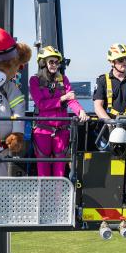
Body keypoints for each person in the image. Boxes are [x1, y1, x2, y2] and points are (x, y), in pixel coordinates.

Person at [29, 46, 88, 177]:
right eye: (51, 62)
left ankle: (58, 197)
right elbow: (41, 104)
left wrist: (81, 111)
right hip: (43, 131)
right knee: (43, 169)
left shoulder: (63, 80)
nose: (55, 65)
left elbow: (71, 100)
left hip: (62, 131)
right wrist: (62, 98)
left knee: (60, 170)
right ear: (43, 63)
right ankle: (43, 197)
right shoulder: (35, 81)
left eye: (57, 62)